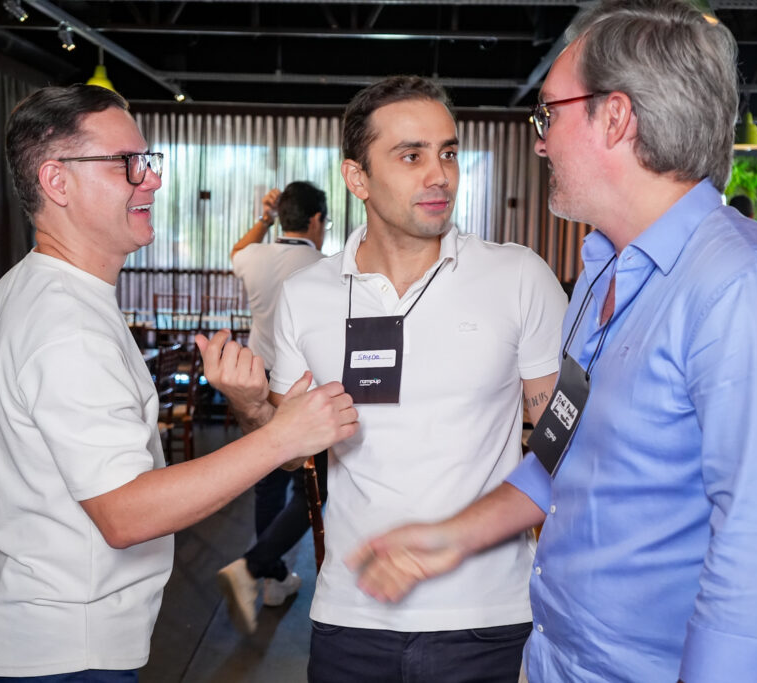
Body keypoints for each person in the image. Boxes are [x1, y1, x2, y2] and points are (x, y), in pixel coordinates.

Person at [346, 2, 757, 682]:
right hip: (555, 659)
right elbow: (556, 454)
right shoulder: (601, 275)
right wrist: (448, 537)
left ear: (616, 117)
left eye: (549, 114)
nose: (541, 141)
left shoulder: (743, 290)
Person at [0, 84, 358, 680]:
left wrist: (258, 411)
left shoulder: (42, 287)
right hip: (69, 648)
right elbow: (125, 513)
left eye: (148, 162)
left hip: (59, 633)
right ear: (57, 182)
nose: (150, 180)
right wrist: (282, 435)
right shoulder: (65, 320)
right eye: (127, 164)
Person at [207, 75, 568, 681]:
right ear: (358, 179)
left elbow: (565, 445)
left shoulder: (518, 277)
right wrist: (250, 407)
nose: (440, 175)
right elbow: (291, 454)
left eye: (448, 152)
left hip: (484, 616)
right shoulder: (308, 294)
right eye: (411, 155)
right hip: (352, 614)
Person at [219, 181, 331, 626]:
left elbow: (237, 249)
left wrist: (264, 218)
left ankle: (270, 576)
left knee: (267, 482)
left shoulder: (253, 258)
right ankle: (259, 567)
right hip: (308, 387)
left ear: (281, 217)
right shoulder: (325, 267)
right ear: (318, 221)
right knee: (314, 488)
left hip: (259, 385)